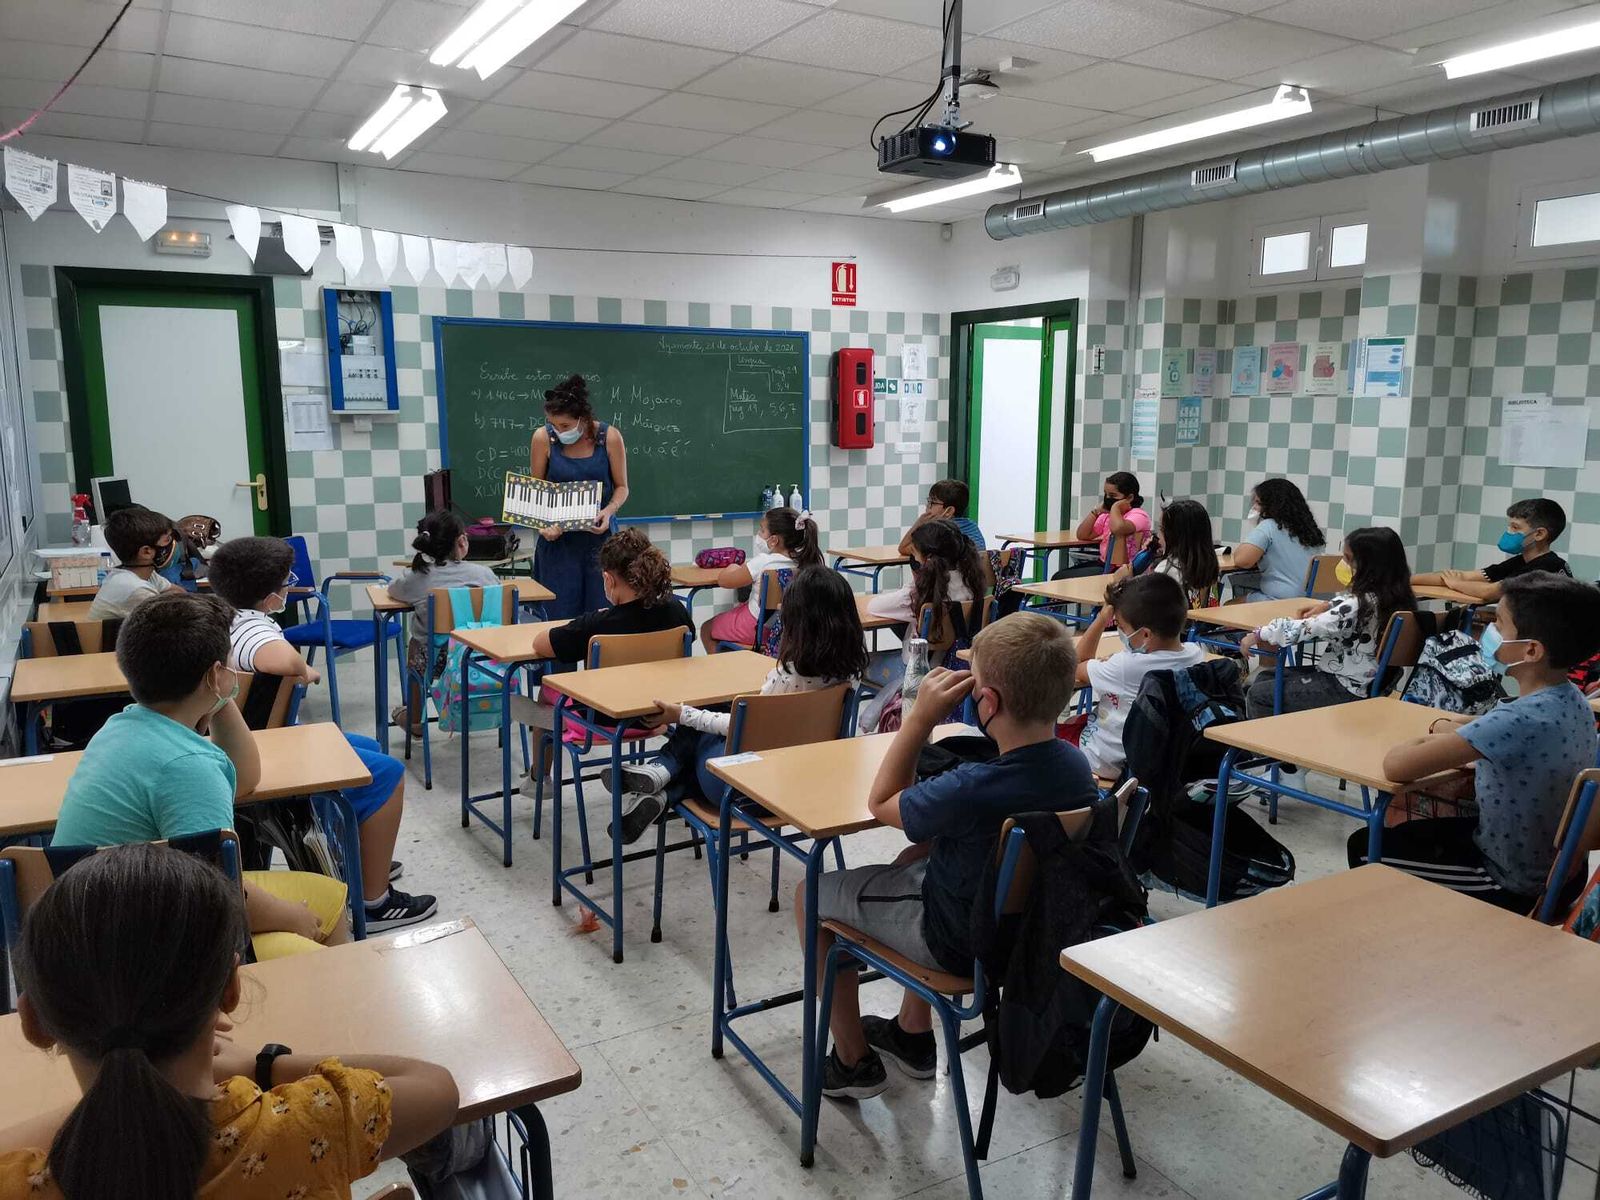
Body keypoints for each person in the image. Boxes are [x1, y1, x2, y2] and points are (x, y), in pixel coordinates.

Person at [0, 843, 458, 1198]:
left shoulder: (20, 1184)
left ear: (34, 1023)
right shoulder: (311, 1123)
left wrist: (111, 1092)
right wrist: (259, 1064)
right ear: (231, 991)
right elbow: (437, 1087)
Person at [802, 612, 1096, 1099]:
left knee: (809, 894)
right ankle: (911, 1035)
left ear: (987, 700)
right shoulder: (1075, 766)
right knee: (912, 858)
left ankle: (851, 1060)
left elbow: (880, 803)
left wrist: (918, 720)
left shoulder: (971, 788)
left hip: (961, 942)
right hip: (1035, 934)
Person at [52, 591, 351, 960]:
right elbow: (216, 894)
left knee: (331, 897)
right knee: (310, 949)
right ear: (215, 674)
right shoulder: (187, 765)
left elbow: (243, 779)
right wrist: (291, 917)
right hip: (138, 950)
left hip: (115, 911)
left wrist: (219, 698)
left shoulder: (123, 725)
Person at [207, 537, 437, 934]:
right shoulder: (253, 627)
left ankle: (364, 860)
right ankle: (375, 902)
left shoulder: (224, 615)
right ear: (268, 594)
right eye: (285, 580)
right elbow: (276, 658)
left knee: (366, 747)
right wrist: (301, 668)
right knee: (386, 773)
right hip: (264, 751)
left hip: (255, 741)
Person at [1359, 573, 1600, 911]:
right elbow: (1496, 725)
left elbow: (1395, 765)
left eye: (1498, 625)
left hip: (1508, 878)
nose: (1487, 633)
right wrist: (1456, 727)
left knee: (1366, 846)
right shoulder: (1572, 700)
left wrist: (1432, 730)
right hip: (1558, 870)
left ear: (1531, 650)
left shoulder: (1517, 720)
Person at [604, 565, 868, 844]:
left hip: (746, 791)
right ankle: (664, 794)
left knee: (706, 727)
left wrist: (681, 714)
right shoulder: (852, 673)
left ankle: (663, 767)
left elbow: (738, 728)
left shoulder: (787, 676)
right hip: (806, 787)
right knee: (722, 710)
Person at [1240, 527, 1416, 718]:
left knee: (1259, 695)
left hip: (1345, 687)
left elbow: (1303, 628)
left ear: (1368, 565)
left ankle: (1263, 746)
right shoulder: (1398, 599)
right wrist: (1329, 605)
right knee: (1266, 677)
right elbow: (1346, 610)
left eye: (1348, 559)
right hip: (1370, 684)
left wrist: (1257, 634)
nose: (1343, 563)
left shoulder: (1355, 606)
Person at [1074, 573, 1207, 781]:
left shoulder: (1125, 667)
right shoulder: (1196, 653)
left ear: (1145, 635)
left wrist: (1102, 618)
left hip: (1109, 762)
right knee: (1077, 720)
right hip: (1164, 759)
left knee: (1055, 736)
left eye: (1120, 627)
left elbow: (1077, 664)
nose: (1121, 633)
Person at [385, 510, 501, 735]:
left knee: (418, 645)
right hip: (483, 655)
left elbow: (393, 589)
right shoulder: (485, 574)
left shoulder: (419, 578)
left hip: (438, 661)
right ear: (462, 541)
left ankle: (415, 718)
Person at [528, 373, 629, 621]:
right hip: (558, 547)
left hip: (601, 543)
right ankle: (557, 663)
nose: (557, 431)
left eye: (564, 426)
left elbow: (622, 487)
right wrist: (543, 526)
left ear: (583, 419)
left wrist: (609, 510)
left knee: (602, 619)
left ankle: (600, 661)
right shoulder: (543, 438)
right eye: (552, 424)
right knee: (557, 621)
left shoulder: (609, 437)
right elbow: (535, 495)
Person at [530, 527, 693, 670]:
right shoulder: (675, 610)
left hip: (608, 703)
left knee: (547, 697)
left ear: (609, 579)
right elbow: (690, 637)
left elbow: (540, 644)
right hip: (664, 701)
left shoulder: (598, 624)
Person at [700, 506, 822, 652]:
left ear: (774, 540)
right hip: (789, 629)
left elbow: (725, 581)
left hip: (756, 627)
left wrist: (732, 566)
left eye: (762, 530)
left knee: (707, 628)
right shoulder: (805, 563)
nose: (759, 534)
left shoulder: (764, 562)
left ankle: (720, 673)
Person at [1413, 497, 1572, 602]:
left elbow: (1490, 591)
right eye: (1509, 526)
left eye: (1515, 527)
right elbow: (1463, 576)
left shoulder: (1548, 567)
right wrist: (1404, 580)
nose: (1508, 532)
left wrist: (1455, 583)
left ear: (1539, 534)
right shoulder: (1522, 561)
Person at [869, 518, 986, 642]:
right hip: (966, 656)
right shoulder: (973, 582)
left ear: (928, 560)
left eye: (914, 553)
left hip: (926, 659)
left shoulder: (917, 594)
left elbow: (873, 607)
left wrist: (912, 585)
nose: (914, 558)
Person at [1230, 478, 1325, 600]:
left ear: (1272, 505)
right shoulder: (1311, 531)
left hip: (1282, 603)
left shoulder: (1268, 526)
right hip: (1317, 603)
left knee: (1231, 604)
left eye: (1258, 503)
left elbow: (1242, 560)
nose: (1254, 508)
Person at [87, 506, 177, 620]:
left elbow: (180, 594)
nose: (174, 543)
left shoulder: (142, 574)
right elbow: (171, 621)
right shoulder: (135, 589)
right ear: (146, 552)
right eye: (167, 539)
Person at [1139, 498, 1219, 606]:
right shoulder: (1208, 563)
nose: (1157, 536)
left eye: (1161, 529)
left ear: (1174, 536)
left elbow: (1146, 607)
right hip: (1198, 621)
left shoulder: (1166, 570)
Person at [1071, 471, 1151, 570]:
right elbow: (1082, 535)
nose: (1107, 498)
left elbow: (1118, 528)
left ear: (1129, 497)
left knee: (1061, 578)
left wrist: (1115, 507)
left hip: (1124, 569)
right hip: (1103, 563)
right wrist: (1096, 512)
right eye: (1106, 494)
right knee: (1060, 575)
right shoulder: (1106, 516)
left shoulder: (1139, 515)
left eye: (1113, 496)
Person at [897, 479, 985, 555]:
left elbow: (903, 548)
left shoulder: (938, 532)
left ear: (949, 511)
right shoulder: (972, 526)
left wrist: (919, 523)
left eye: (932, 503)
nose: (927, 507)